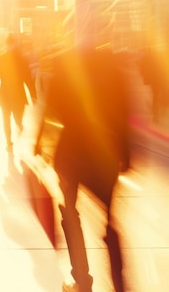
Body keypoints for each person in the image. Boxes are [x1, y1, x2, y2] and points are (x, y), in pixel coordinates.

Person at [40, 46, 131, 292]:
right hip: (105, 153)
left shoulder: (64, 65)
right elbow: (124, 112)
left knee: (70, 213)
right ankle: (120, 283)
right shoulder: (113, 67)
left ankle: (81, 279)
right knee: (109, 219)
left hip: (71, 155)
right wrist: (126, 154)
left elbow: (51, 111)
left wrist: (42, 142)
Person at [0, 34, 37, 151]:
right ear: (15, 44)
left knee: (5, 119)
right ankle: (19, 126)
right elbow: (28, 79)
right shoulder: (22, 59)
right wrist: (33, 94)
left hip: (4, 94)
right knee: (18, 117)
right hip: (18, 94)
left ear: (6, 44)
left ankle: (8, 141)